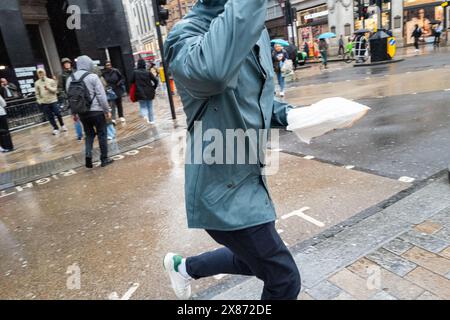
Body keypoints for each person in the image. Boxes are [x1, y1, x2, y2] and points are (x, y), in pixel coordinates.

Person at [163, 0, 301, 301]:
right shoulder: (184, 35)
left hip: (250, 179)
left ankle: (183, 267)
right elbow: (212, 73)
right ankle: (184, 268)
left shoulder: (255, 29)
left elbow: (254, 100)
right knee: (284, 279)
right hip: (219, 190)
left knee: (252, 259)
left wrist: (294, 116)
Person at [67, 55, 113, 168]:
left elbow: (70, 98)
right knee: (102, 133)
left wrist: (73, 113)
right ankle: (104, 158)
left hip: (82, 112)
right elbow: (101, 95)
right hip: (96, 111)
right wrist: (107, 110)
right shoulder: (93, 76)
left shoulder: (70, 79)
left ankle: (88, 156)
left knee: (89, 134)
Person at [35, 69, 67, 135]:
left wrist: (48, 88)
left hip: (53, 100)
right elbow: (37, 93)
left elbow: (55, 90)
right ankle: (55, 128)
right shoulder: (37, 83)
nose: (41, 75)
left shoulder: (51, 81)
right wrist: (39, 101)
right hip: (44, 102)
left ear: (45, 73)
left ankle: (62, 125)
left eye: (42, 73)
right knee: (50, 116)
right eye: (39, 74)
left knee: (58, 113)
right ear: (38, 75)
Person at [58, 57, 83, 141]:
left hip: (79, 96)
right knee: (75, 117)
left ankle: (88, 131)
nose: (67, 64)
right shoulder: (62, 75)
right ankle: (79, 134)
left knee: (84, 114)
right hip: (70, 99)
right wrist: (66, 96)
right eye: (65, 63)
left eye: (68, 63)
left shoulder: (75, 71)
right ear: (63, 65)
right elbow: (60, 88)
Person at [131, 59, 159, 124]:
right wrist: (153, 87)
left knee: (143, 106)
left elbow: (131, 81)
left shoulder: (135, 72)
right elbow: (156, 80)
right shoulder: (148, 72)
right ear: (144, 64)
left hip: (139, 92)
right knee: (150, 106)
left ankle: (145, 116)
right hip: (149, 91)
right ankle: (152, 121)